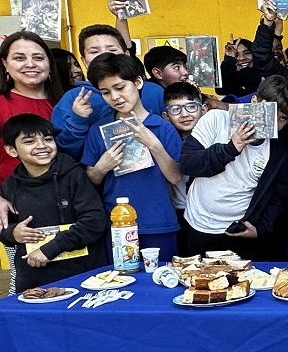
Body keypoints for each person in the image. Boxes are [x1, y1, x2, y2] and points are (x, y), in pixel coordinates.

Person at [0, 114, 110, 352]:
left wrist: (51, 249)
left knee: (83, 336)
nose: (41, 146)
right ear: (12, 150)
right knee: (48, 341)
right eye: (29, 141)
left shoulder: (73, 175)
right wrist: (12, 235)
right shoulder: (9, 186)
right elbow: (4, 232)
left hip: (80, 275)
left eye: (46, 138)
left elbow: (93, 221)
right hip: (37, 281)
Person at [0, 33, 67, 284]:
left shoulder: (64, 102)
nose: (30, 64)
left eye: (38, 58)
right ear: (5, 64)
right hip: (20, 206)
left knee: (73, 274)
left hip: (69, 201)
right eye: (19, 58)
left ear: (49, 64)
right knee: (28, 278)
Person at [179, 76, 288, 262]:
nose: (273, 123)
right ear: (254, 102)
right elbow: (188, 164)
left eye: (282, 118)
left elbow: (279, 196)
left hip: (240, 230)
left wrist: (260, 228)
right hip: (200, 225)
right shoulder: (216, 119)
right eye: (268, 112)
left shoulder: (278, 150)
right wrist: (231, 148)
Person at [81, 53, 184, 262]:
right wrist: (101, 168)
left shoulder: (162, 127)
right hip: (117, 225)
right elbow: (90, 180)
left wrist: (153, 144)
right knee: (120, 282)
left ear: (138, 82)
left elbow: (175, 177)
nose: (115, 97)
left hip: (158, 222)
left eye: (120, 88)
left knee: (161, 284)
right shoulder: (98, 130)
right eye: (106, 92)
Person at [51, 24, 165, 157]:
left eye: (112, 49)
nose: (104, 55)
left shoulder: (155, 92)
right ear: (84, 61)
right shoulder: (73, 99)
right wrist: (77, 122)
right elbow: (61, 154)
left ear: (126, 55)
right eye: (94, 51)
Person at [161, 81, 204, 246]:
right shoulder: (166, 141)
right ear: (166, 116)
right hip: (179, 211)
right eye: (175, 110)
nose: (185, 114)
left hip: (208, 214)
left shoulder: (213, 140)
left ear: (203, 109)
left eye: (191, 107)